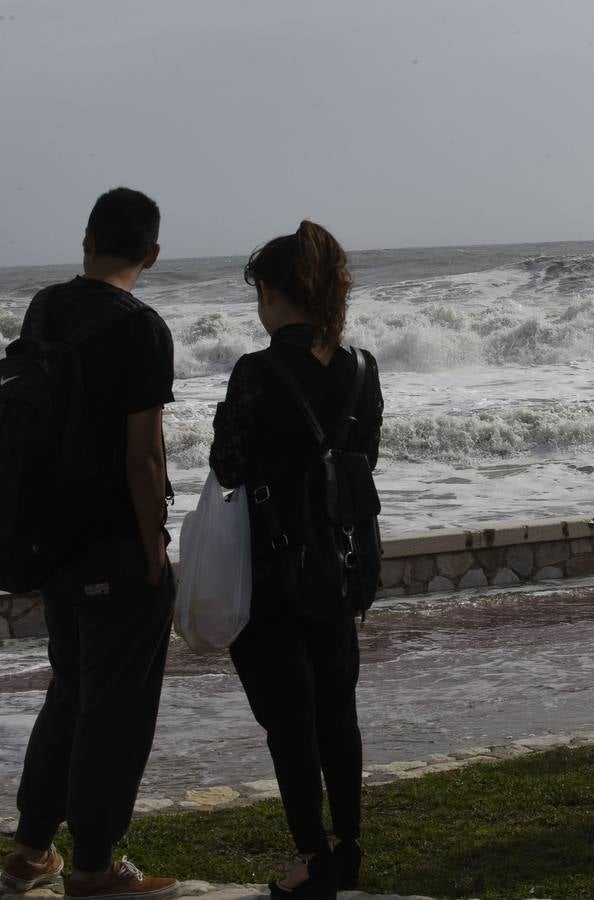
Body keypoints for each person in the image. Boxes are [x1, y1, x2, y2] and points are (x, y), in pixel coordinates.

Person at [1, 188, 179, 899]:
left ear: (86, 240)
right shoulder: (141, 327)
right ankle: (95, 867)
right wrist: (153, 549)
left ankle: (30, 849)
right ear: (153, 254)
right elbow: (144, 457)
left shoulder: (45, 308)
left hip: (51, 543)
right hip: (111, 542)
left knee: (71, 691)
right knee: (115, 707)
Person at [210, 221, 383, 899]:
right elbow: (364, 462)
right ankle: (347, 847)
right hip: (342, 568)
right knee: (338, 712)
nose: (259, 306)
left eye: (261, 293)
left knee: (289, 720)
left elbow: (227, 466)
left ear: (281, 294)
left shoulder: (256, 371)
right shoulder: (362, 369)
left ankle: (309, 859)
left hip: (275, 572)